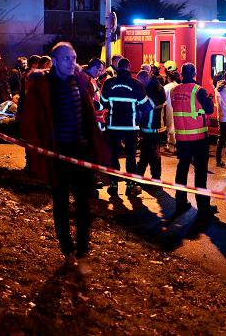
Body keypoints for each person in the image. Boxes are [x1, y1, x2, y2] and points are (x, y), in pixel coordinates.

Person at [20, 42, 108, 270]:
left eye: (74, 57)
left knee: (83, 203)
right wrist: (39, 149)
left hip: (81, 153)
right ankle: (67, 249)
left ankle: (82, 250)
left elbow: (88, 117)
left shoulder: (80, 83)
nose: (72, 62)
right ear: (55, 61)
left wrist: (95, 150)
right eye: (67, 58)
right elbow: (30, 122)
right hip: (57, 154)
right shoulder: (43, 87)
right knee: (60, 203)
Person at [170, 62, 216, 222]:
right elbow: (210, 109)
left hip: (182, 137)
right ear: (194, 73)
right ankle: (203, 208)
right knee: (200, 172)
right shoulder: (199, 90)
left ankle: (180, 202)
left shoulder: (175, 91)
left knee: (182, 169)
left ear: (182, 74)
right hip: (198, 137)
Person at [100, 57, 149, 196]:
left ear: (118, 68)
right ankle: (130, 186)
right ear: (129, 67)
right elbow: (145, 105)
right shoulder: (137, 84)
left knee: (114, 155)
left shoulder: (109, 83)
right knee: (130, 156)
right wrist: (138, 116)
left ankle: (113, 185)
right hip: (131, 126)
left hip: (113, 125)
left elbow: (103, 102)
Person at [136, 69, 167, 180]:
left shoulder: (154, 89)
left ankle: (152, 176)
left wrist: (138, 111)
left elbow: (148, 105)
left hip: (152, 126)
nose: (140, 84)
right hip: (151, 126)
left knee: (151, 153)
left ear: (146, 78)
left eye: (141, 81)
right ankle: (144, 175)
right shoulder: (154, 86)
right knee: (147, 152)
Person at [163, 60, 181, 153]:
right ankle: (176, 145)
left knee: (170, 127)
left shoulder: (166, 88)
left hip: (169, 108)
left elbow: (162, 100)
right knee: (175, 126)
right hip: (177, 109)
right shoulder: (178, 86)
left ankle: (171, 146)